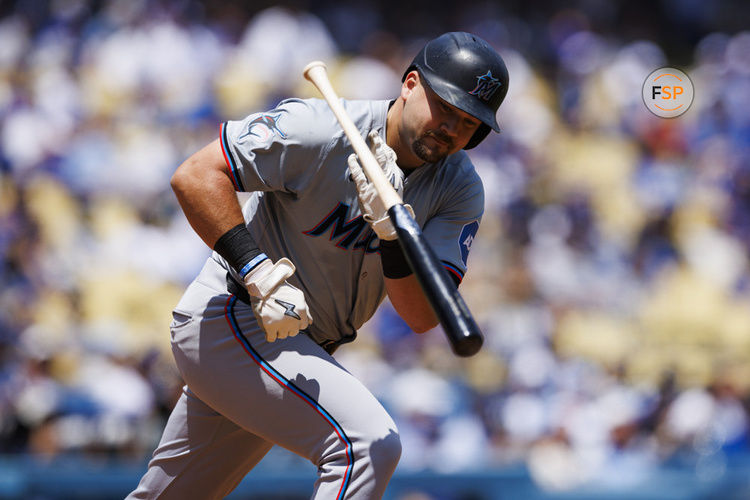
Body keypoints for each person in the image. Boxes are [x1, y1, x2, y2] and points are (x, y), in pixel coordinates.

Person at [128, 31, 509, 499]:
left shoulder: (458, 187)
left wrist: (390, 237)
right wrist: (257, 270)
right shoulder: (324, 127)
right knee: (367, 444)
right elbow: (195, 176)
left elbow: (421, 315)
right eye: (445, 108)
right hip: (233, 316)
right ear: (410, 84)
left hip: (301, 348)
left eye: (469, 122)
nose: (452, 128)